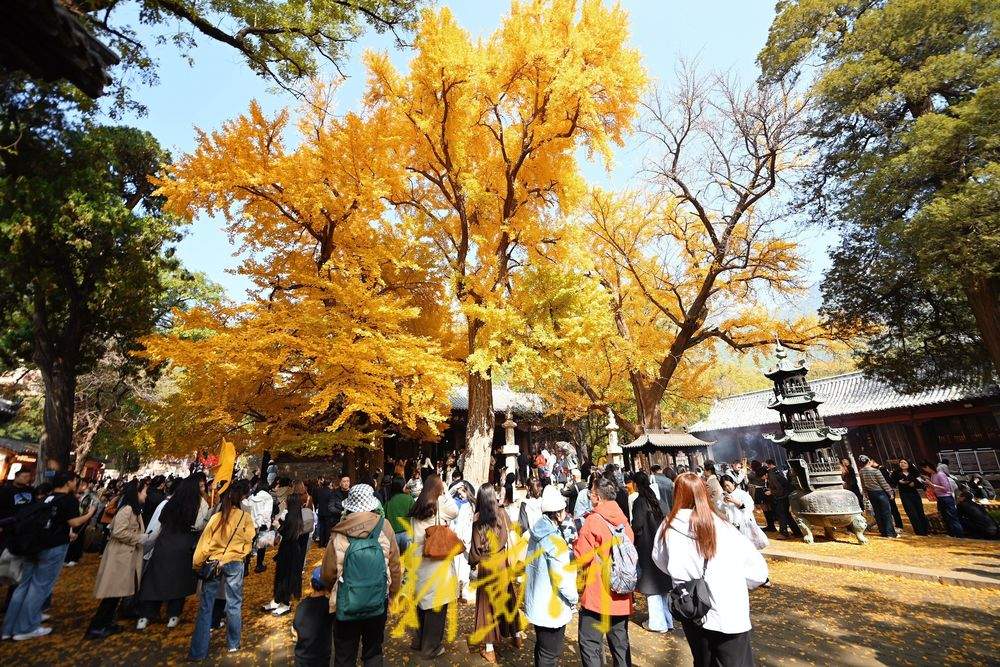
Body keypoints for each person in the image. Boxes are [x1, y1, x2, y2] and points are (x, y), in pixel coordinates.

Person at [652, 472, 768, 666]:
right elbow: (758, 572)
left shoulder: (668, 527)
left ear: (677, 494)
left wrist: (682, 575)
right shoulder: (722, 527)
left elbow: (660, 560)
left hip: (692, 606)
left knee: (703, 660)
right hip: (729, 608)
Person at [2, 471, 97, 641]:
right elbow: (73, 522)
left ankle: (9, 628)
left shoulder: (48, 497)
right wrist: (90, 514)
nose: (76, 484)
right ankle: (26, 628)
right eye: (75, 481)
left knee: (23, 585)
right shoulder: (68, 500)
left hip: (35, 545)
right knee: (39, 587)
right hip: (53, 548)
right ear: (68, 482)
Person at [320, 483, 401, 667]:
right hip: (377, 600)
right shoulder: (385, 526)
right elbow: (395, 565)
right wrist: (393, 592)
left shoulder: (339, 531)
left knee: (344, 655)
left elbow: (328, 572)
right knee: (373, 652)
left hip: (346, 604)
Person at [188, 480, 256, 661]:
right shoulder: (245, 518)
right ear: (241, 498)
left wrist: (197, 564)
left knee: (205, 607)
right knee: (234, 604)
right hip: (234, 562)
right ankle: (233, 643)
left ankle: (198, 652)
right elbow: (249, 540)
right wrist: (241, 553)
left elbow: (204, 545)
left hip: (213, 562)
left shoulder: (215, 518)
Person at [573, 475, 634, 667]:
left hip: (598, 592)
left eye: (591, 493)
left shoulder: (593, 521)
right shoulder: (623, 521)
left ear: (598, 497)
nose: (590, 496)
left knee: (590, 643)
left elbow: (583, 556)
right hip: (621, 591)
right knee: (620, 644)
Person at [136, 474, 208, 630]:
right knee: (178, 582)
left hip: (164, 544)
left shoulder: (171, 502)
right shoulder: (200, 504)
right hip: (184, 546)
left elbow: (160, 524)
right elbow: (198, 525)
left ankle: (146, 615)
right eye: (201, 486)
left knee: (155, 579)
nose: (203, 489)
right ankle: (173, 614)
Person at [524, 484, 578, 667]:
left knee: (541, 647)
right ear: (558, 513)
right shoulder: (555, 540)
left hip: (537, 601)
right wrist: (574, 598)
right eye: (563, 510)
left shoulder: (536, 533)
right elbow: (562, 578)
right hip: (551, 606)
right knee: (550, 653)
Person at [85, 479, 147, 639]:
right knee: (111, 594)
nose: (146, 495)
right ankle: (97, 626)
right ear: (137, 492)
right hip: (119, 556)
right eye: (144, 491)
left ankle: (105, 623)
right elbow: (118, 531)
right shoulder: (127, 509)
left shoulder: (133, 509)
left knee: (115, 594)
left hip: (125, 555)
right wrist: (140, 538)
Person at [468, 484, 522, 663]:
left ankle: (490, 649)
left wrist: (471, 562)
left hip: (486, 565)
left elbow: (476, 551)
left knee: (486, 606)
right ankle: (516, 634)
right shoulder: (502, 515)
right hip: (502, 562)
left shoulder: (478, 521)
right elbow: (510, 532)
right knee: (508, 598)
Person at [408, 474, 459, 658]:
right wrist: (446, 492)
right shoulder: (441, 505)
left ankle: (419, 641)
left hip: (420, 562)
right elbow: (455, 511)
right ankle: (431, 648)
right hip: (437, 564)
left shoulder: (416, 504)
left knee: (422, 605)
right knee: (437, 608)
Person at [630, 471, 673, 634]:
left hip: (646, 546)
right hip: (660, 544)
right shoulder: (656, 500)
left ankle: (657, 622)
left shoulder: (640, 501)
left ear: (636, 484)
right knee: (662, 584)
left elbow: (638, 524)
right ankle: (667, 620)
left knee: (652, 586)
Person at [264, 490, 307, 616]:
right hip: (287, 550)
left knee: (287, 576)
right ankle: (277, 599)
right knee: (281, 575)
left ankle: (285, 603)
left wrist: (278, 526)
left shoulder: (294, 518)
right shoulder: (292, 516)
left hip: (291, 552)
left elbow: (288, 535)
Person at [294, 567, 335, 667]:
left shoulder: (301, 605)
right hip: (320, 656)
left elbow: (294, 631)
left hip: (301, 656)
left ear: (310, 584)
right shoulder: (329, 606)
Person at [449, 481, 476, 603]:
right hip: (454, 538)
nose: (461, 494)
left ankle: (464, 591)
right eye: (460, 491)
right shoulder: (454, 503)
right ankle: (454, 592)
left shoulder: (471, 505)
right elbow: (448, 495)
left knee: (465, 567)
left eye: (464, 491)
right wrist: (456, 486)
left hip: (466, 540)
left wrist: (467, 537)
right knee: (454, 567)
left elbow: (471, 523)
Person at [858, 456, 897, 538]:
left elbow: (863, 484)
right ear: (868, 461)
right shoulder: (876, 471)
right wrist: (890, 493)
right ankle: (890, 532)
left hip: (871, 493)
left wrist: (865, 494)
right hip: (880, 493)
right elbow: (883, 483)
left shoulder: (861, 472)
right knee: (886, 512)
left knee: (877, 512)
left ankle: (882, 531)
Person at [922, 462, 963, 537]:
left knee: (952, 516)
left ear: (928, 467)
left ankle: (959, 534)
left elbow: (946, 488)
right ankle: (951, 533)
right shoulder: (933, 475)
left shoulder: (940, 474)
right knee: (945, 516)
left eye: (925, 468)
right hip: (939, 497)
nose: (925, 470)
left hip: (946, 497)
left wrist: (933, 485)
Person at [890, 459, 928, 536]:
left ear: (908, 464)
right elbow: (892, 483)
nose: (902, 464)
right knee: (911, 512)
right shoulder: (896, 473)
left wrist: (914, 483)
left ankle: (926, 529)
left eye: (904, 462)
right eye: (901, 462)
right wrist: (899, 482)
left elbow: (920, 482)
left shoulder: (914, 472)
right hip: (904, 494)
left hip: (914, 493)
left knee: (920, 511)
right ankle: (919, 531)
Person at [244, 481, 276, 573]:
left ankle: (246, 567)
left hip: (252, 523)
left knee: (249, 545)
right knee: (262, 546)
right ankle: (259, 565)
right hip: (263, 524)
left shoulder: (252, 496)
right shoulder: (268, 497)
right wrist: (267, 524)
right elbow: (267, 513)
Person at [765, 460, 798, 537]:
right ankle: (797, 532)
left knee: (781, 514)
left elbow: (779, 488)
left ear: (769, 465)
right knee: (787, 514)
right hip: (785, 495)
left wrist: (771, 492)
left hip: (781, 496)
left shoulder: (772, 474)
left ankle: (784, 533)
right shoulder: (778, 470)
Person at [385, 478, 415, 552]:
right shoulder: (409, 498)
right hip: (407, 534)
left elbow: (384, 517)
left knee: (396, 561)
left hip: (393, 535)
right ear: (401, 487)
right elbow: (415, 513)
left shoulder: (388, 501)